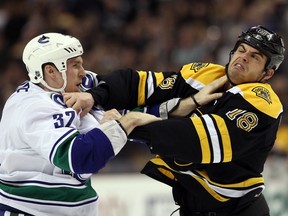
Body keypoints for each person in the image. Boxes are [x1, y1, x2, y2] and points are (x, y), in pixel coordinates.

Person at [63, 25, 285, 216]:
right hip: (190, 206)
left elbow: (192, 141)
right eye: (241, 50)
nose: (243, 57)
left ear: (268, 73)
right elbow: (138, 84)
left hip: (237, 211)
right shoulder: (205, 75)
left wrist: (128, 124)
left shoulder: (262, 103)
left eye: (255, 56)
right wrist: (94, 95)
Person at [0, 33, 161, 216]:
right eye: (75, 65)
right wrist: (125, 123)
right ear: (51, 71)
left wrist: (186, 107)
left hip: (67, 208)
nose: (83, 72)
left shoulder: (69, 91)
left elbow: (122, 104)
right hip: (30, 209)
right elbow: (81, 158)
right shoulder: (33, 107)